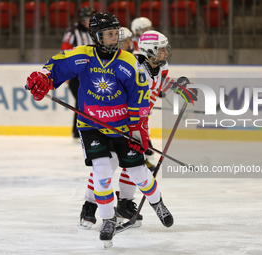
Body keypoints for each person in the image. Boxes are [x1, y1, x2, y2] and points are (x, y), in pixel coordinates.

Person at [26, 12, 173, 247]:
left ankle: (157, 203)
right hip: (91, 126)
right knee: (103, 174)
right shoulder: (83, 56)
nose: (114, 38)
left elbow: (138, 99)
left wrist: (139, 132)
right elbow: (57, 64)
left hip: (122, 127)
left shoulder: (128, 62)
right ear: (96, 36)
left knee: (139, 172)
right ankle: (107, 220)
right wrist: (44, 76)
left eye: (116, 33)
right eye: (108, 34)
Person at [80, 30, 173, 230]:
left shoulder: (162, 67)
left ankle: (124, 204)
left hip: (139, 122)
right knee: (107, 165)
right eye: (162, 49)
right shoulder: (134, 66)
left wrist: (179, 88)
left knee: (134, 165)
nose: (166, 53)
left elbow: (161, 84)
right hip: (119, 123)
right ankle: (89, 206)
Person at [61, 6, 95, 138]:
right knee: (81, 101)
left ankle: (80, 130)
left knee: (85, 101)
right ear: (81, 20)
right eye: (86, 19)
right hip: (75, 73)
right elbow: (65, 51)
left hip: (91, 73)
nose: (88, 21)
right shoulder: (72, 31)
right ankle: (79, 130)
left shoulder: (95, 31)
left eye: (90, 18)